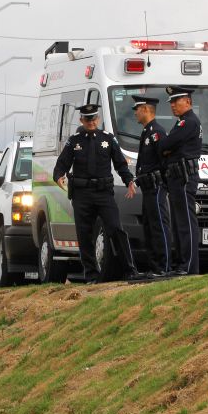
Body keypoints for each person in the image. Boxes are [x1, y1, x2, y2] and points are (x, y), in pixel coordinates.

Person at [53, 104, 141, 283]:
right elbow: (62, 163)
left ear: (98, 119)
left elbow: (120, 164)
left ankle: (129, 270)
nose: (91, 122)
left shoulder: (108, 139)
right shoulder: (74, 141)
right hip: (82, 194)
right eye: (87, 119)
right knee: (84, 235)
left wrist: (129, 181)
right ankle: (91, 274)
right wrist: (58, 177)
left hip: (103, 193)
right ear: (81, 121)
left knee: (116, 229)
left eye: (94, 119)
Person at [159, 86, 203, 276]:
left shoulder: (189, 122)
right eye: (171, 102)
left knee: (186, 223)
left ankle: (189, 266)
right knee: (178, 224)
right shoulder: (181, 123)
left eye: (176, 101)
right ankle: (181, 264)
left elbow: (166, 145)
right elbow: (167, 148)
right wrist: (169, 149)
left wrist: (169, 149)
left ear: (188, 101)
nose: (173, 106)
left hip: (185, 178)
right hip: (177, 177)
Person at [132, 95, 172, 279]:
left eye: (137, 108)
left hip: (156, 187)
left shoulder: (157, 132)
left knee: (158, 226)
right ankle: (153, 266)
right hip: (147, 186)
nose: (135, 112)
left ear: (146, 109)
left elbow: (164, 161)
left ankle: (162, 266)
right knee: (148, 226)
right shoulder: (147, 132)